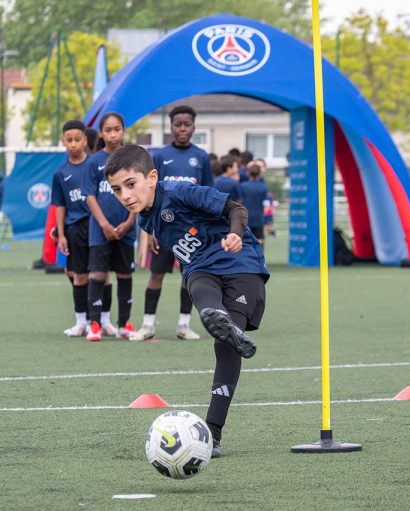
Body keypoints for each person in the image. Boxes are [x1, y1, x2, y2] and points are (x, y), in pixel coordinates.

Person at [105, 143, 269, 459]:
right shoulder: (144, 218)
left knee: (226, 345)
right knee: (200, 290)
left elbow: (236, 209)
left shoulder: (180, 192)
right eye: (116, 190)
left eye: (130, 184)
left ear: (152, 177)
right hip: (201, 268)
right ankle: (214, 316)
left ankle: (214, 431)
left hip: (240, 262)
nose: (124, 195)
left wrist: (235, 234)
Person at [130, 105, 213, 342]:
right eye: (178, 125)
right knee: (156, 275)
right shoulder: (159, 156)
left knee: (189, 277)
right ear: (171, 127)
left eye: (187, 125)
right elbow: (150, 193)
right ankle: (147, 325)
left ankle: (183, 325)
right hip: (165, 228)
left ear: (194, 127)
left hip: (191, 230)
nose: (182, 129)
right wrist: (153, 228)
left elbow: (207, 195)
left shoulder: (202, 158)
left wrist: (204, 227)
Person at [51, 120, 118, 338]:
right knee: (79, 276)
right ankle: (81, 321)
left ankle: (104, 320)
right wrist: (61, 234)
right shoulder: (60, 173)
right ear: (63, 142)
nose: (73, 144)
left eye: (77, 139)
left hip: (97, 225)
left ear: (85, 140)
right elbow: (59, 205)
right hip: (75, 229)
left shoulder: (97, 164)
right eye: (68, 140)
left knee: (103, 275)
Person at [81, 112, 137, 342]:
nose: (113, 134)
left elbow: (140, 193)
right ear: (101, 133)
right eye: (108, 130)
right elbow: (90, 196)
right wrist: (104, 224)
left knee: (124, 274)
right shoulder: (94, 162)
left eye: (117, 129)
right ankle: (94, 324)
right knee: (98, 274)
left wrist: (128, 222)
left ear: (123, 131)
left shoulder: (133, 159)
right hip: (100, 231)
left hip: (126, 229)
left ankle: (124, 324)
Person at [239, 162, 269, 245]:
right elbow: (266, 205)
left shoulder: (243, 186)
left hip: (246, 219)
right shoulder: (263, 187)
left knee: (246, 244)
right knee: (259, 244)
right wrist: (267, 221)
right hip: (259, 219)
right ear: (259, 173)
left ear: (248, 173)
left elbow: (239, 202)